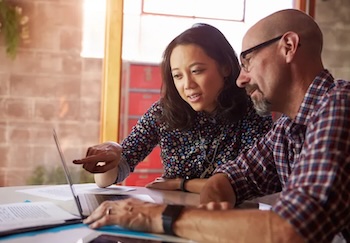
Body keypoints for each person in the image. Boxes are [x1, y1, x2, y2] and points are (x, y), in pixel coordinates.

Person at [81, 9, 350, 243]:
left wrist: (156, 215)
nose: (242, 79)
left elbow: (292, 231)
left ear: (289, 46)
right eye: (177, 75)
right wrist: (211, 209)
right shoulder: (288, 129)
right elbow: (234, 177)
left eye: (247, 62)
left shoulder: (339, 106)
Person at [73, 23, 272, 193]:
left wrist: (182, 184)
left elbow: (251, 183)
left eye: (196, 71)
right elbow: (107, 180)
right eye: (178, 75)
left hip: (231, 221)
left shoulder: (252, 111)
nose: (188, 84)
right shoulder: (163, 112)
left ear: (225, 67)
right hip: (174, 217)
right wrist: (113, 151)